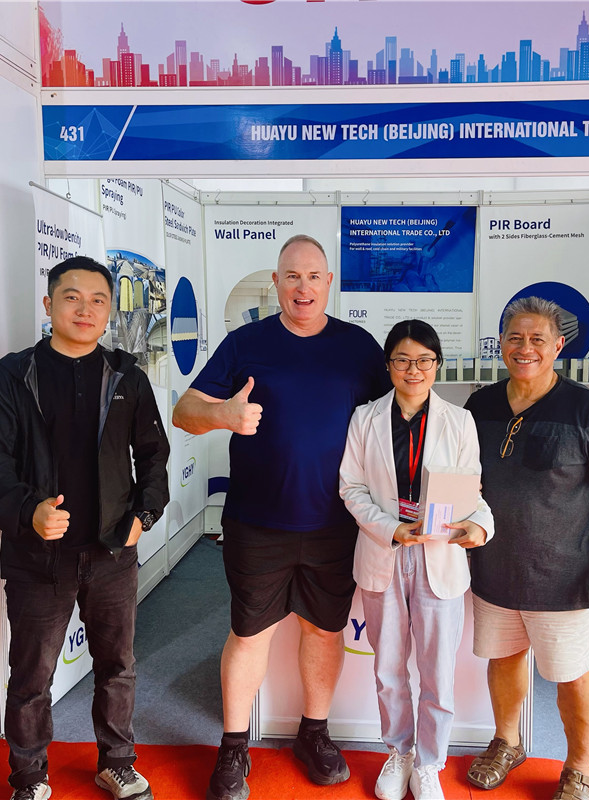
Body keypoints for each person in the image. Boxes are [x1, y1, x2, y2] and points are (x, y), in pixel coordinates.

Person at [172, 234, 390, 800]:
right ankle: (233, 747)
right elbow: (184, 410)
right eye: (292, 276)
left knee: (325, 630)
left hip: (336, 523)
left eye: (314, 276)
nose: (303, 287)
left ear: (329, 283)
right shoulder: (247, 343)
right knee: (249, 633)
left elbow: (396, 417)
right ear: (276, 282)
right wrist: (224, 414)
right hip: (257, 522)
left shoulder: (359, 348)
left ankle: (313, 734)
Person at [0, 256, 169, 800]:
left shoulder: (128, 377)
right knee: (31, 675)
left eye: (98, 300)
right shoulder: (11, 377)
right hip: (38, 556)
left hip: (111, 552)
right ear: (49, 304)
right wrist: (27, 511)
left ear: (109, 311)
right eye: (72, 297)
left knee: (118, 666)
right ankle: (29, 777)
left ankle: (117, 762)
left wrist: (143, 516)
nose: (86, 309)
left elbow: (153, 455)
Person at [463, 296, 589, 800]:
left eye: (538, 339)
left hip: (564, 577)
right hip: (493, 569)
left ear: (558, 346)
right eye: (515, 338)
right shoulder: (480, 406)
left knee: (574, 675)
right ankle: (507, 742)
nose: (526, 348)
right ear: (500, 343)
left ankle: (580, 768)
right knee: (504, 660)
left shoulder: (588, 409)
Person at [339, 320, 494, 800]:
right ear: (388, 365)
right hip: (385, 549)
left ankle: (429, 764)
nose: (414, 369)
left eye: (424, 360)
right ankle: (399, 752)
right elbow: (351, 488)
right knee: (388, 670)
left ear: (437, 365)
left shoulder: (459, 422)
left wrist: (480, 525)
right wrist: (391, 528)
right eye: (403, 360)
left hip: (438, 555)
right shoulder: (365, 418)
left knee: (437, 674)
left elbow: (472, 492)